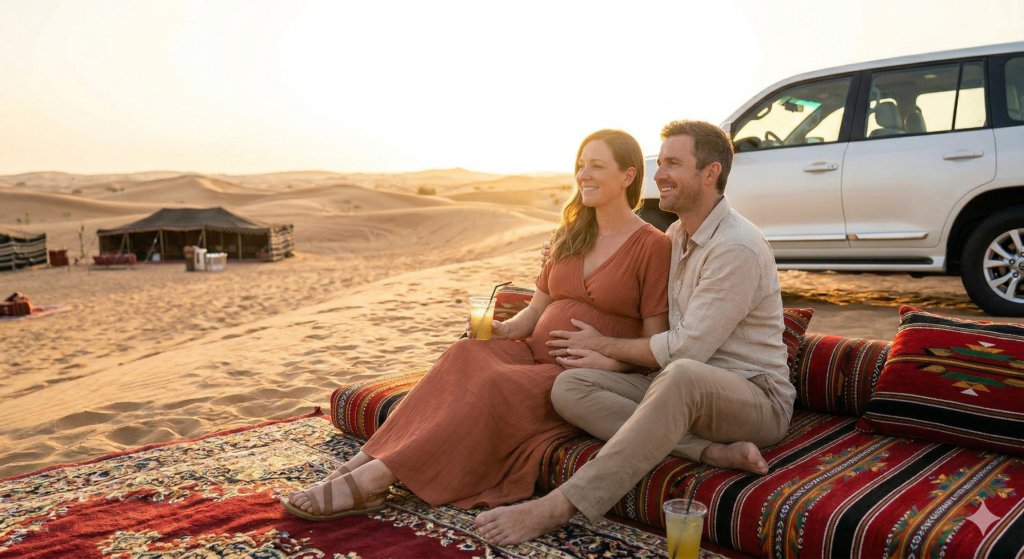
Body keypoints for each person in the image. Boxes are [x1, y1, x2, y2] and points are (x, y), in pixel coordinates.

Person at [282, 129, 671, 520]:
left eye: (597, 166)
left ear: (628, 176)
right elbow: (536, 311)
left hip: (579, 371)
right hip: (529, 352)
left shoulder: (653, 246)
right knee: (463, 352)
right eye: (580, 165)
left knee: (494, 383)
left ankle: (373, 482)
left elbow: (655, 341)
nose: (584, 174)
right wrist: (504, 330)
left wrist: (610, 359)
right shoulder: (569, 234)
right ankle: (359, 463)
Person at [475, 120, 796, 546]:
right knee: (571, 387)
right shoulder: (677, 234)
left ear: (710, 173)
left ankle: (559, 505)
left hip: (753, 397)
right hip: (679, 389)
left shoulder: (735, 245)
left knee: (682, 373)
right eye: (659, 162)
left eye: (674, 164)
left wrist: (602, 345)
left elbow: (688, 349)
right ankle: (705, 451)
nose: (659, 173)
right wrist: (570, 254)